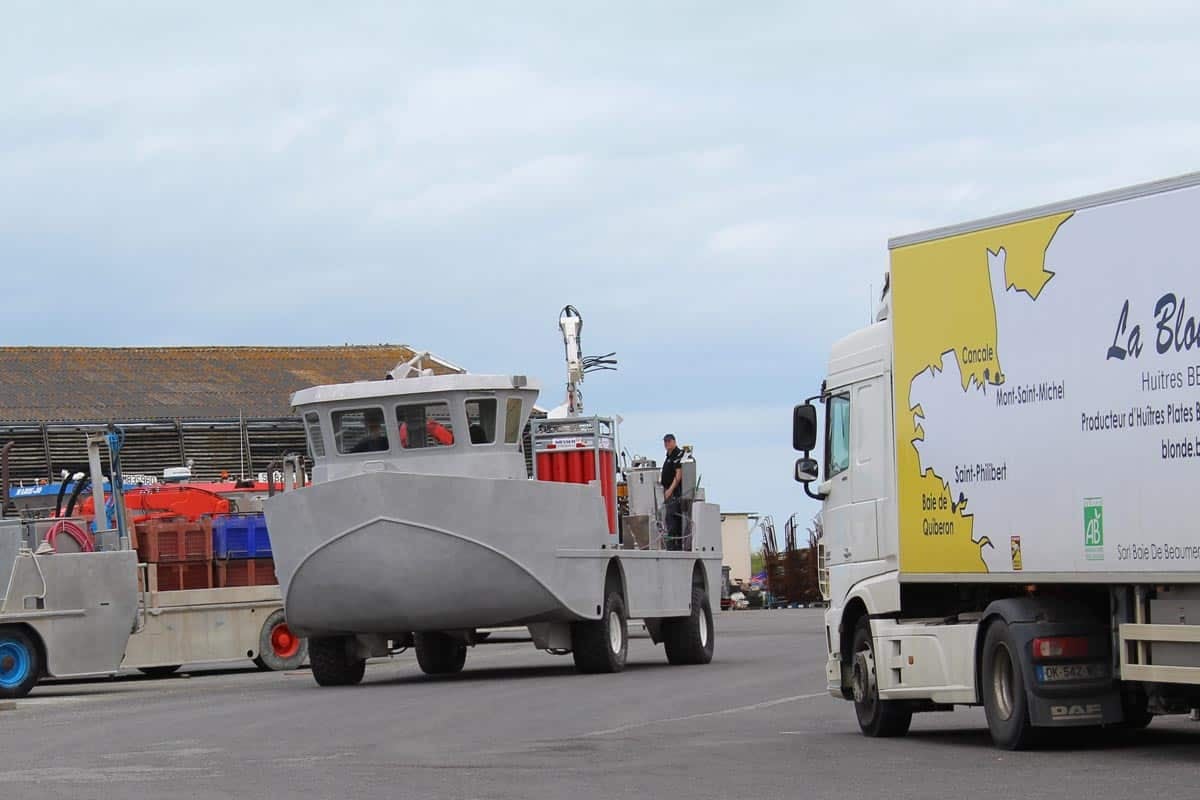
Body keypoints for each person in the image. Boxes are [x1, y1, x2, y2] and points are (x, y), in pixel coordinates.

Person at [660, 433, 686, 550]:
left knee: (673, 518)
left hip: (675, 493)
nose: (667, 444)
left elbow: (678, 474)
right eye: (665, 442)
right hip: (666, 491)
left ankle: (675, 545)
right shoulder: (668, 456)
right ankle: (670, 543)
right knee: (668, 518)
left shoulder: (677, 454)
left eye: (669, 441)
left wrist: (670, 490)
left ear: (674, 441)